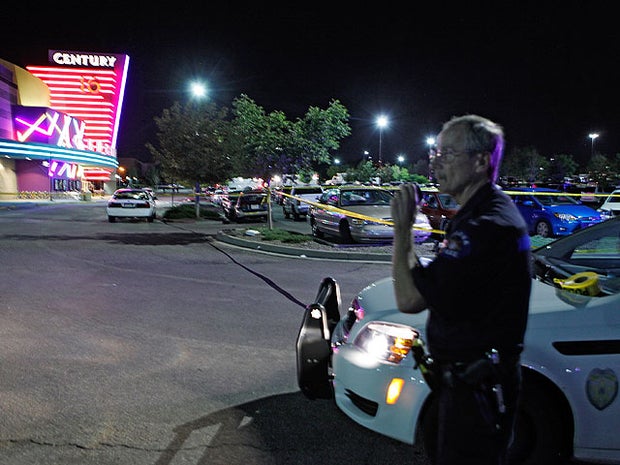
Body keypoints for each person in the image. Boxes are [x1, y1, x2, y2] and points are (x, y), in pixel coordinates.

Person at [391, 114, 532, 465]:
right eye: (436, 153)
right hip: (462, 385)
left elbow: (408, 298)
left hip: (476, 392)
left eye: (448, 154)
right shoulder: (474, 215)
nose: (435, 161)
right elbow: (434, 286)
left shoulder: (486, 226)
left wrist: (402, 229)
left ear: (481, 161)